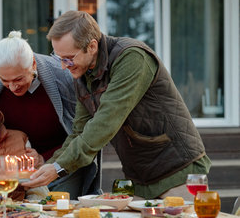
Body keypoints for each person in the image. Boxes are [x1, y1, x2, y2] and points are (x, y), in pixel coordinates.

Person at [23, 10, 211, 200]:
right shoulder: (82, 75)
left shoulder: (132, 58)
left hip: (178, 172)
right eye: (59, 58)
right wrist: (51, 165)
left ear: (92, 46)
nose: (64, 66)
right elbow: (79, 132)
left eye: (69, 58)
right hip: (139, 179)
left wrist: (57, 168)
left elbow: (106, 121)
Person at [0, 31, 102, 199]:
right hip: (13, 168)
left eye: (18, 79)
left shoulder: (63, 77)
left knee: (55, 211)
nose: (12, 88)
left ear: (33, 64)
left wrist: (46, 161)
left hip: (62, 161)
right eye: (5, 80)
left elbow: (82, 132)